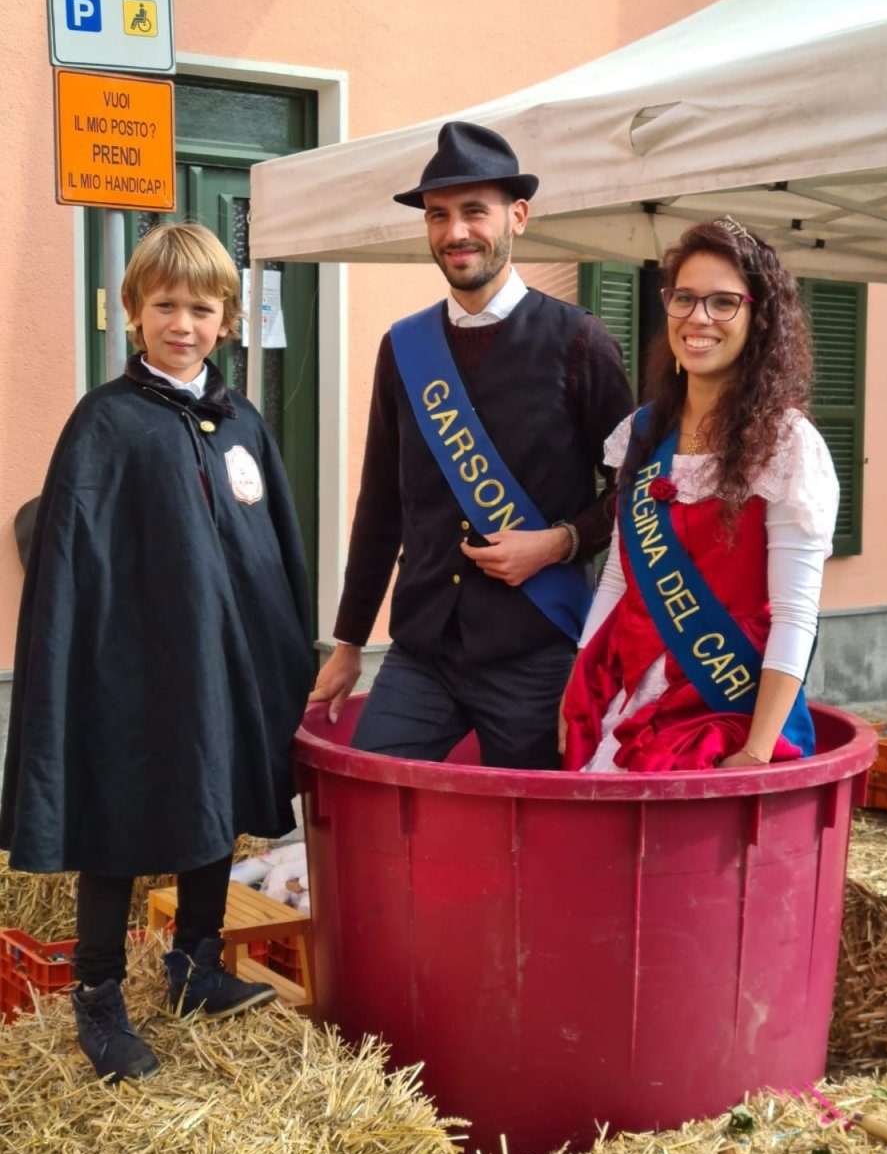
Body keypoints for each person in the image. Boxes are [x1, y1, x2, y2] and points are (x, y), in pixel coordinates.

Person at [0, 223, 315, 1082]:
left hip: (222, 661)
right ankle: (99, 995)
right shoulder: (108, 424)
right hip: (130, 668)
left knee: (211, 793)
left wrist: (282, 645)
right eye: (165, 305)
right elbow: (72, 565)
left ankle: (195, 964)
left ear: (227, 320)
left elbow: (269, 546)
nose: (183, 323)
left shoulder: (239, 419)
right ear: (133, 312)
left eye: (202, 308)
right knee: (118, 814)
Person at [311, 121, 634, 769]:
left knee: (535, 839)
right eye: (438, 216)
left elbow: (637, 493)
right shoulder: (404, 347)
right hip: (422, 650)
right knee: (377, 807)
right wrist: (347, 641)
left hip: (537, 650)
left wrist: (561, 542)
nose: (455, 232)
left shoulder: (580, 342)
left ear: (517, 216)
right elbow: (381, 505)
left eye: (473, 212)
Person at [561, 217, 839, 773]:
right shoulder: (640, 432)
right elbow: (619, 578)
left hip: (724, 707)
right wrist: (576, 697)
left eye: (723, 302)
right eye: (684, 298)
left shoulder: (787, 444)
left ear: (759, 317)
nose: (698, 317)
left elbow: (794, 616)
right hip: (625, 693)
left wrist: (756, 752)